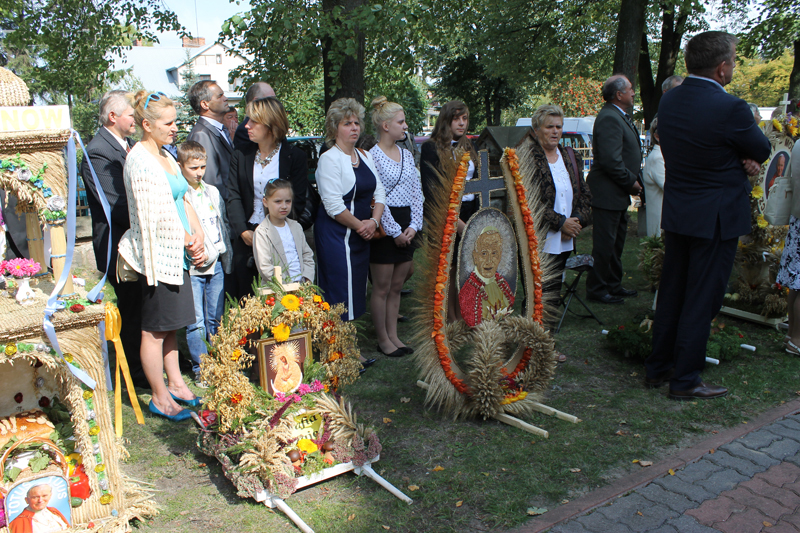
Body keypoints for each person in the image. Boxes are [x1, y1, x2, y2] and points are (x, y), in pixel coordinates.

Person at [645, 31, 771, 400]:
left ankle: (658, 367)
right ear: (722, 67)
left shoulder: (669, 102)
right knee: (703, 298)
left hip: (681, 211)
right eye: (733, 60)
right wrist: (742, 158)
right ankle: (685, 380)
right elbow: (761, 148)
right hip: (716, 216)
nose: (733, 66)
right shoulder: (730, 107)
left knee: (672, 292)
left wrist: (738, 155)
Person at [117, 91, 208, 421]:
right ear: (147, 124)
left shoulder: (168, 156)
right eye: (168, 123)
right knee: (154, 331)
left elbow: (182, 199)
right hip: (159, 258)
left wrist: (198, 237)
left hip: (178, 255)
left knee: (171, 328)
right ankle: (159, 398)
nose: (175, 128)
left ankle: (177, 386)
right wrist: (185, 238)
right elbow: (151, 216)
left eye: (175, 122)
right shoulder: (139, 161)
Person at [80, 90, 147, 389]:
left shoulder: (127, 145)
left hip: (137, 240)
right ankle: (134, 371)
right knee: (131, 308)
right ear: (113, 117)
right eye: (131, 114)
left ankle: (146, 361)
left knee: (144, 305)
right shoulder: (98, 152)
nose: (136, 119)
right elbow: (115, 204)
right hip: (119, 245)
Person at [526, 104, 592, 361]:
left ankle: (546, 343)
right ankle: (532, 346)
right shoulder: (528, 158)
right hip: (541, 236)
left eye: (558, 127)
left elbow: (584, 194)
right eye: (549, 127)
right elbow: (529, 202)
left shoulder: (569, 156)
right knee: (539, 291)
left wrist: (576, 222)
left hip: (565, 237)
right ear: (536, 130)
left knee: (554, 290)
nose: (555, 132)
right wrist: (560, 223)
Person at [226, 97, 309, 301]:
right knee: (246, 303)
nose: (247, 126)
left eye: (254, 121)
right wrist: (244, 231)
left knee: (282, 300)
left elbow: (296, 200)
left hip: (281, 237)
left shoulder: (294, 157)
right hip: (246, 237)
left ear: (271, 125)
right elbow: (233, 194)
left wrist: (276, 233)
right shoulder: (241, 154)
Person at [315, 97, 385, 323]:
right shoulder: (329, 159)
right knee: (338, 290)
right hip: (336, 235)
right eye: (347, 123)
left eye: (356, 123)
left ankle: (351, 347)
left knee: (356, 286)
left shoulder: (365, 155)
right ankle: (337, 350)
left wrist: (373, 223)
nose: (354, 127)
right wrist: (361, 226)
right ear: (335, 128)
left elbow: (380, 192)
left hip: (360, 234)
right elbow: (333, 205)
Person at [367, 97, 423, 357]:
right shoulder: (371, 156)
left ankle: (394, 335)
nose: (405, 126)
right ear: (386, 125)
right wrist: (394, 231)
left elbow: (416, 191)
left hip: (407, 222)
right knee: (382, 286)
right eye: (401, 122)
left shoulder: (407, 153)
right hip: (384, 223)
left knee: (397, 286)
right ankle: (383, 339)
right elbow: (378, 196)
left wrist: (414, 225)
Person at [179, 141, 232, 388]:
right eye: (193, 168)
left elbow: (221, 226)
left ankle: (219, 362)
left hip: (216, 264)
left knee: (216, 316)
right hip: (194, 266)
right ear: (181, 166)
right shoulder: (180, 196)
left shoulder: (212, 191)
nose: (198, 172)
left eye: (202, 167)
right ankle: (201, 367)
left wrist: (224, 254)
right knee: (196, 320)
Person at [585, 75, 643, 305]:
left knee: (616, 242)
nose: (633, 93)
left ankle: (613, 284)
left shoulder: (618, 116)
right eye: (630, 89)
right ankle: (597, 289)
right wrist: (632, 183)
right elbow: (611, 161)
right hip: (607, 192)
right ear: (619, 94)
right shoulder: (609, 117)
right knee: (605, 244)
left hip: (616, 192)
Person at [420, 100, 478, 322]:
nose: (462, 123)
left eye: (465, 119)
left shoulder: (469, 145)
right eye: (457, 119)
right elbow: (432, 189)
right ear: (446, 120)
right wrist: (456, 221)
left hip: (470, 209)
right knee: (447, 267)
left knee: (464, 266)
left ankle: (461, 313)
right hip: (445, 215)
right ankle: (446, 317)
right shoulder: (431, 147)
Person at [253, 178, 315, 283]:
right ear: (265, 202)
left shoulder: (296, 227)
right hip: (277, 291)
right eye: (278, 201)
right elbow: (265, 267)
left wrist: (307, 279)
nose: (284, 206)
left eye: (288, 201)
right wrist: (286, 285)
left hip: (302, 288)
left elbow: (307, 255)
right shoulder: (262, 232)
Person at [459, 228, 515, 327]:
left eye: (494, 253)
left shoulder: (501, 283)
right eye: (484, 254)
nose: (489, 260)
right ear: (475, 257)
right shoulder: (470, 289)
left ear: (500, 256)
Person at [186, 81, 232, 199]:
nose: (225, 98)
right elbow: (211, 182)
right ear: (205, 104)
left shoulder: (218, 129)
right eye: (219, 96)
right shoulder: (201, 135)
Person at [778, 140, 800, 355]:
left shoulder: (799, 144)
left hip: (798, 216)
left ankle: (792, 335)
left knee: (796, 283)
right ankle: (798, 340)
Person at [234, 81, 276, 151]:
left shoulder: (274, 123)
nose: (275, 103)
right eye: (270, 99)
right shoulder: (244, 130)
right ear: (256, 101)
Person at [642, 117, 665, 237]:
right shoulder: (658, 158)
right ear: (657, 136)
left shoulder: (661, 156)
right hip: (661, 225)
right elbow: (671, 189)